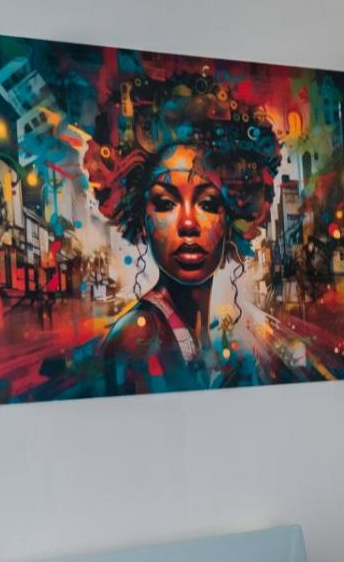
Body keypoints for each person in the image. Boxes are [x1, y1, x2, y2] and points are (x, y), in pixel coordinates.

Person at [86, 69, 281, 395]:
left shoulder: (201, 334)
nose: (188, 223)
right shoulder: (136, 339)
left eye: (207, 204)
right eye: (166, 204)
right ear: (142, 221)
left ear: (231, 220)